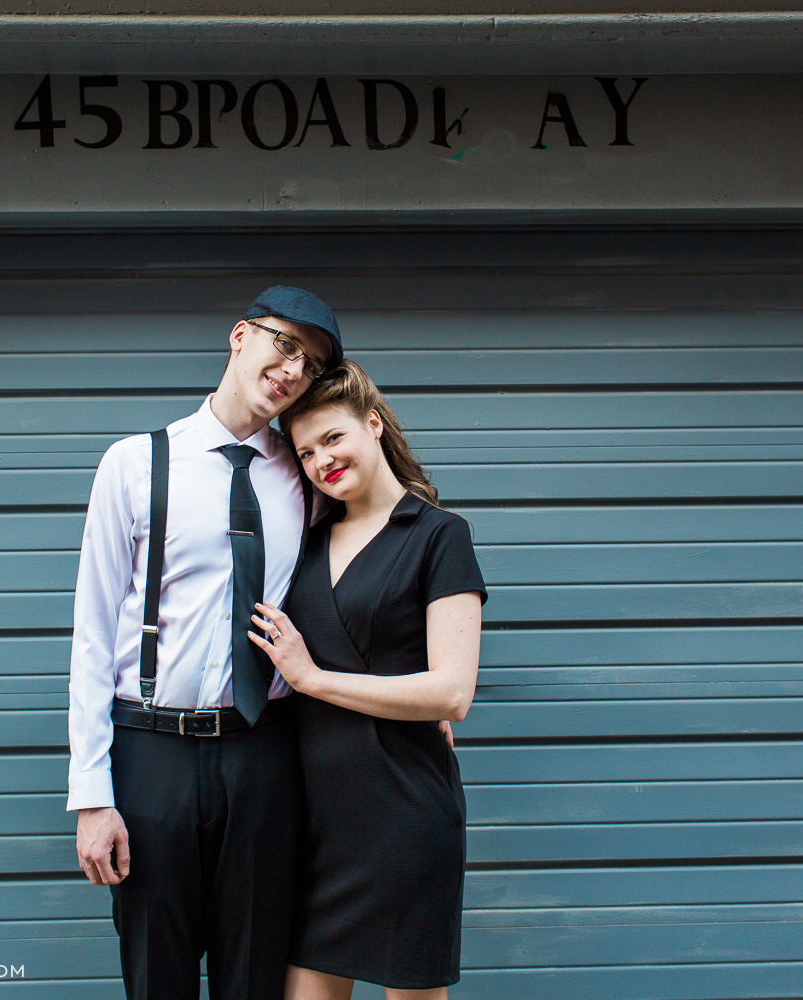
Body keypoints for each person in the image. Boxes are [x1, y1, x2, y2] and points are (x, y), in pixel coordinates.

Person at [66, 286, 343, 1000]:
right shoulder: (134, 463)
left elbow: (367, 585)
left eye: (309, 365)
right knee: (157, 974)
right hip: (150, 753)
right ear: (240, 336)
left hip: (265, 754)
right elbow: (93, 636)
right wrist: (92, 797)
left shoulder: (310, 479)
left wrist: (420, 682)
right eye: (285, 344)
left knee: (255, 975)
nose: (292, 370)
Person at [249, 360, 486, 1000]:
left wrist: (313, 678)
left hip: (403, 814)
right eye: (304, 451)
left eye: (333, 438)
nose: (321, 460)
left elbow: (451, 694)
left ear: (373, 424)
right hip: (314, 821)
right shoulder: (305, 540)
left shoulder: (439, 536)